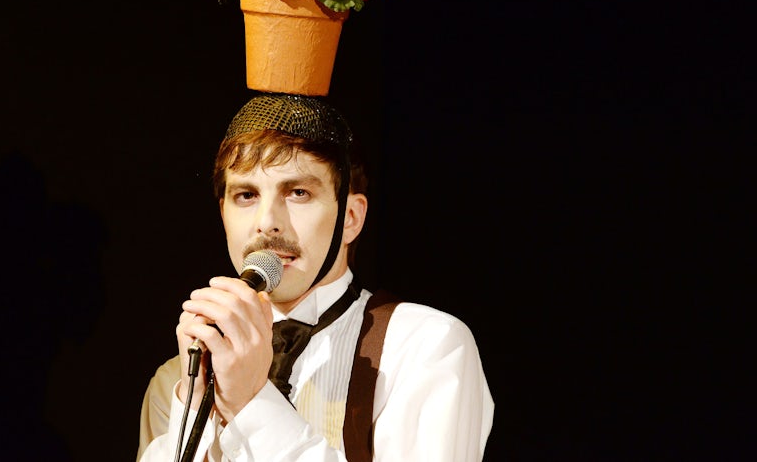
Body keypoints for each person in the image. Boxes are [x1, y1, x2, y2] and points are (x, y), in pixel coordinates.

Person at [137, 93, 494, 461]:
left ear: (351, 218)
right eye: (246, 195)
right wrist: (194, 402)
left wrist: (251, 403)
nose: (266, 222)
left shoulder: (424, 346)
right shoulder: (177, 378)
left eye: (298, 192)